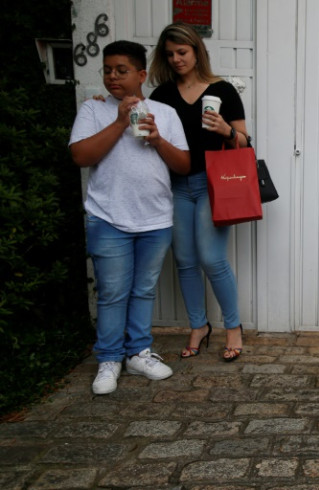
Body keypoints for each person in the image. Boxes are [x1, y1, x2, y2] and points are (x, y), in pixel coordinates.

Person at [69, 40, 190, 395]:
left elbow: (183, 164)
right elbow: (80, 156)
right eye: (107, 70)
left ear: (141, 74)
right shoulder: (93, 110)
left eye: (121, 70)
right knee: (111, 293)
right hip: (108, 217)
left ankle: (138, 352)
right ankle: (109, 358)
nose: (112, 77)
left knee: (143, 290)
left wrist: (157, 140)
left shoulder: (165, 113)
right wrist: (121, 121)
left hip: (155, 219)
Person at [148, 22, 250, 362]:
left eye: (182, 52)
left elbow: (245, 143)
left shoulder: (222, 90)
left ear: (196, 51)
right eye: (170, 54)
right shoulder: (161, 95)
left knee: (211, 258)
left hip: (214, 185)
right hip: (176, 186)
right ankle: (199, 326)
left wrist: (225, 130)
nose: (177, 59)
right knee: (185, 261)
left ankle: (233, 328)